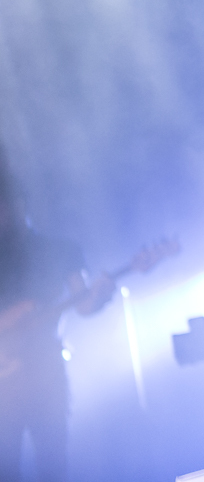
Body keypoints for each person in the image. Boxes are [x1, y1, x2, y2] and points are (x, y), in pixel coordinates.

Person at [0, 177, 114, 482]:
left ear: (20, 204)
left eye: (6, 205)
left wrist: (101, 295)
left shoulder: (61, 250)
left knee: (52, 464)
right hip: (4, 381)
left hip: (46, 372)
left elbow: (84, 304)